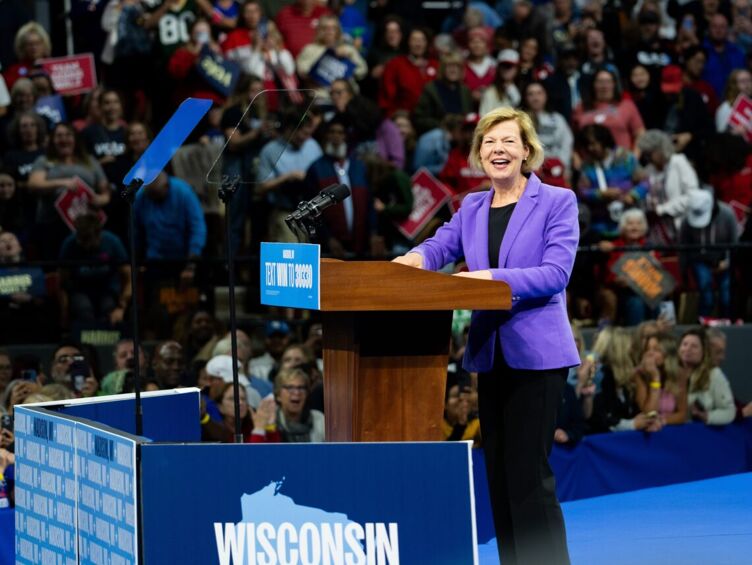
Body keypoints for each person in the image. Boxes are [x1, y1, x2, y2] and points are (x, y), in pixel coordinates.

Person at [393, 107, 577, 564]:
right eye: (489, 143)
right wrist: (407, 264)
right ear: (478, 154)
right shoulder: (471, 206)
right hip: (490, 355)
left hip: (539, 356)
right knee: (496, 472)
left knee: (528, 475)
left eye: (508, 141)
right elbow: (440, 246)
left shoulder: (558, 201)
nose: (498, 150)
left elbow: (555, 273)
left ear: (527, 151)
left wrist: (490, 279)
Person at [678, 327, 735, 425]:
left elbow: (729, 411)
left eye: (694, 346)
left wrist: (707, 416)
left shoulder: (714, 374)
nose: (688, 349)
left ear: (704, 351)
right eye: (684, 344)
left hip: (701, 433)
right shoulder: (669, 373)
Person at [274, 366, 325, 443]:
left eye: (301, 388)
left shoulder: (319, 419)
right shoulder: (270, 421)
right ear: (278, 395)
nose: (297, 393)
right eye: (290, 388)